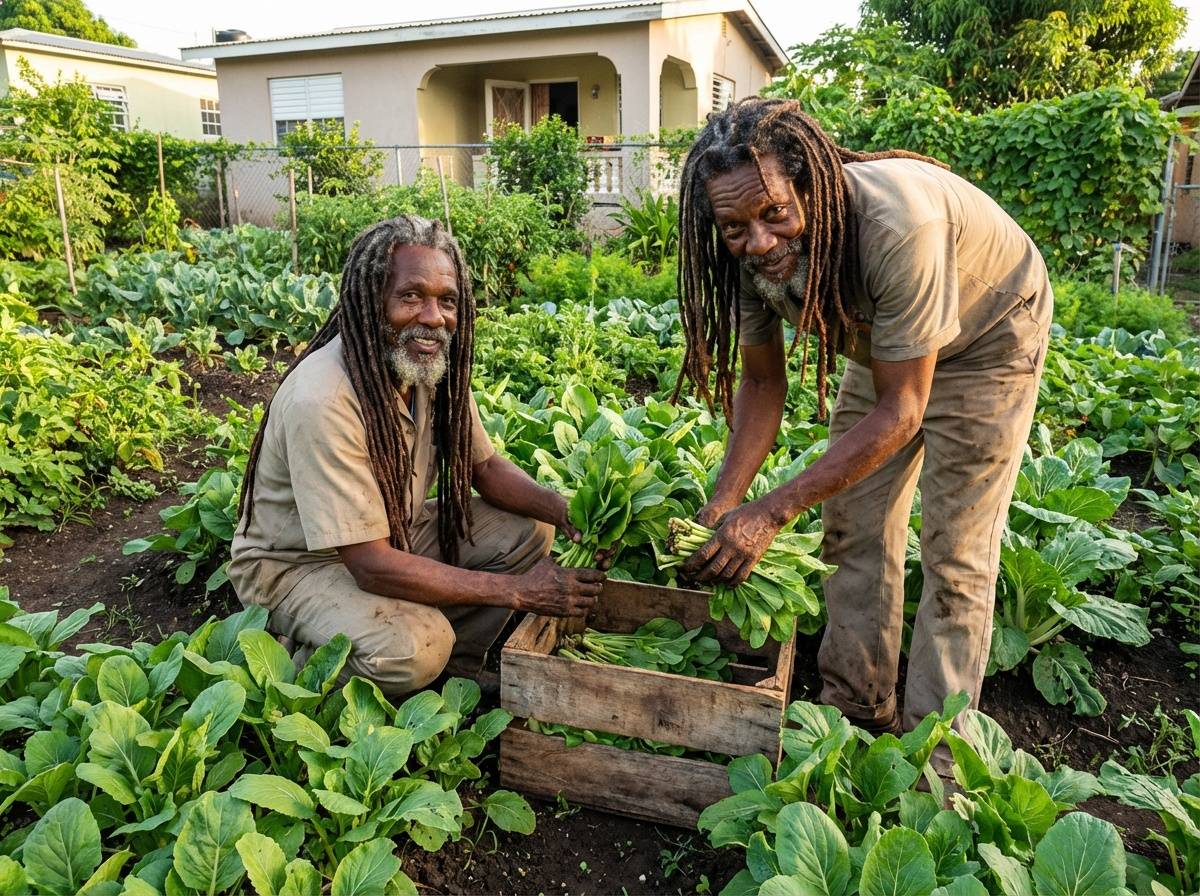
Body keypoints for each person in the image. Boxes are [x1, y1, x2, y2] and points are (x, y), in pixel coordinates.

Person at [675, 98, 1052, 760]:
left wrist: (772, 510)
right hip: (886, 337)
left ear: (809, 187)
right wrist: (726, 500)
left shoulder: (895, 225)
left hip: (989, 333)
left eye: (775, 215)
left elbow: (903, 408)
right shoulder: (746, 252)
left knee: (956, 551)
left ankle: (939, 757)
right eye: (735, 227)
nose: (759, 242)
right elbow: (763, 385)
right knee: (852, 522)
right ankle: (853, 706)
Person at [229, 215, 604, 696]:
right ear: (370, 303)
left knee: (528, 531)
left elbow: (484, 469)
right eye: (410, 296)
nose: (433, 317)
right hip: (297, 566)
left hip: (390, 538)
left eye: (446, 301)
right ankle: (298, 670)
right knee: (415, 647)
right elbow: (370, 564)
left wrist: (568, 510)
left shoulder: (429, 366)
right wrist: (518, 591)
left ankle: (454, 669)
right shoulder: (322, 398)